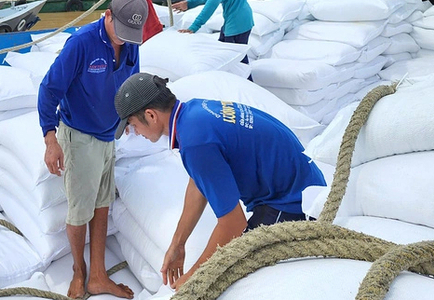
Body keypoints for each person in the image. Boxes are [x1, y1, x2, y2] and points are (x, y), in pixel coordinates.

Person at [113, 73, 326, 290]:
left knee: (232, 281)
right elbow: (198, 182)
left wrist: (194, 278)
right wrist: (178, 244)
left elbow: (233, 223)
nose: (134, 133)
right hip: (297, 186)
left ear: (150, 115)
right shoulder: (193, 113)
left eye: (132, 125)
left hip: (293, 203)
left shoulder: (196, 142)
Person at [38, 0, 148, 299]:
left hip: (108, 137)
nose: (124, 41)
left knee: (102, 206)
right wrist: (50, 139)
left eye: (131, 36)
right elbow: (49, 91)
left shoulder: (130, 45)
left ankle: (99, 275)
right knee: (79, 211)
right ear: (108, 16)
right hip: (79, 138)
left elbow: (130, 85)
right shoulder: (81, 44)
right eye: (121, 31)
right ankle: (79, 271)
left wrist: (130, 120)